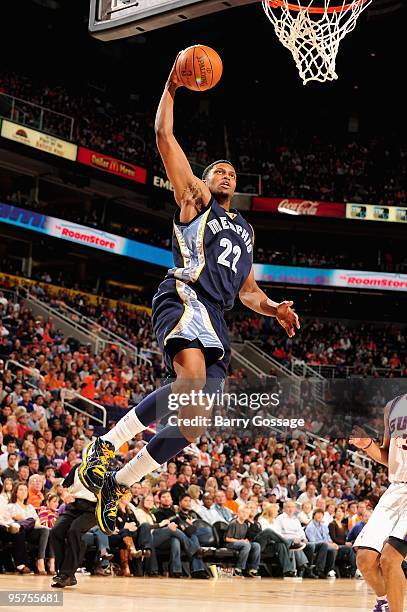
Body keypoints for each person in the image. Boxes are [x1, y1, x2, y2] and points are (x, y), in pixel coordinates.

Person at [77, 52, 300, 536]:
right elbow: (163, 137)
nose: (226, 176)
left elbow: (247, 291)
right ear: (204, 178)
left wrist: (274, 308)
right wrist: (172, 87)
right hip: (184, 295)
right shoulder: (195, 199)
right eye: (218, 170)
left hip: (217, 318)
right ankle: (108, 442)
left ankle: (120, 479)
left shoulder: (245, 230)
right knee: (191, 381)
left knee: (194, 424)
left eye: (232, 175)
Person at [350, 395, 407, 612]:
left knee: (390, 559)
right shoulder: (392, 407)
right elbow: (387, 456)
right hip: (396, 489)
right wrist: (368, 445)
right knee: (364, 559)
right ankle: (386, 602)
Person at [225, 505, 261, 577]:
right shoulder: (233, 523)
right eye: (243, 512)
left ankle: (253, 569)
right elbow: (227, 539)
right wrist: (241, 541)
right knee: (246, 545)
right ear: (238, 513)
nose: (245, 514)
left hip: (240, 543)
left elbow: (243, 538)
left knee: (256, 545)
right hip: (230, 544)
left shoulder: (245, 525)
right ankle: (239, 568)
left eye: (247, 513)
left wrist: (245, 540)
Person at [305, 509, 337, 577]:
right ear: (314, 515)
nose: (320, 515)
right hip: (314, 546)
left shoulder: (324, 526)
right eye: (318, 513)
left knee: (333, 550)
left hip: (325, 545)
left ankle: (328, 571)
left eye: (321, 514)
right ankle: (319, 570)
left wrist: (332, 543)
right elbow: (312, 541)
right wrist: (327, 543)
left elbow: (328, 538)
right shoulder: (310, 527)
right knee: (324, 545)